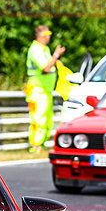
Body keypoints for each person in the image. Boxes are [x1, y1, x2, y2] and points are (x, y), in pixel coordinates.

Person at [26, 25, 65, 155]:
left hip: (45, 91)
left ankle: (40, 145)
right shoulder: (36, 49)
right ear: (43, 35)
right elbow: (46, 68)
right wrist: (56, 55)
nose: (49, 37)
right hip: (37, 91)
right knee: (39, 119)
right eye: (48, 34)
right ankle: (35, 146)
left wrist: (56, 61)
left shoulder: (44, 49)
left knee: (47, 120)